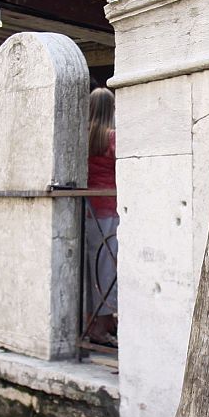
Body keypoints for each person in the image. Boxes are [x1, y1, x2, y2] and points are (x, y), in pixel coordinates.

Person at [85, 88, 118, 344]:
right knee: (107, 268)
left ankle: (94, 321)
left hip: (86, 208)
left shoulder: (83, 137)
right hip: (109, 206)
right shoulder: (112, 138)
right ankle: (102, 324)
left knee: (90, 268)